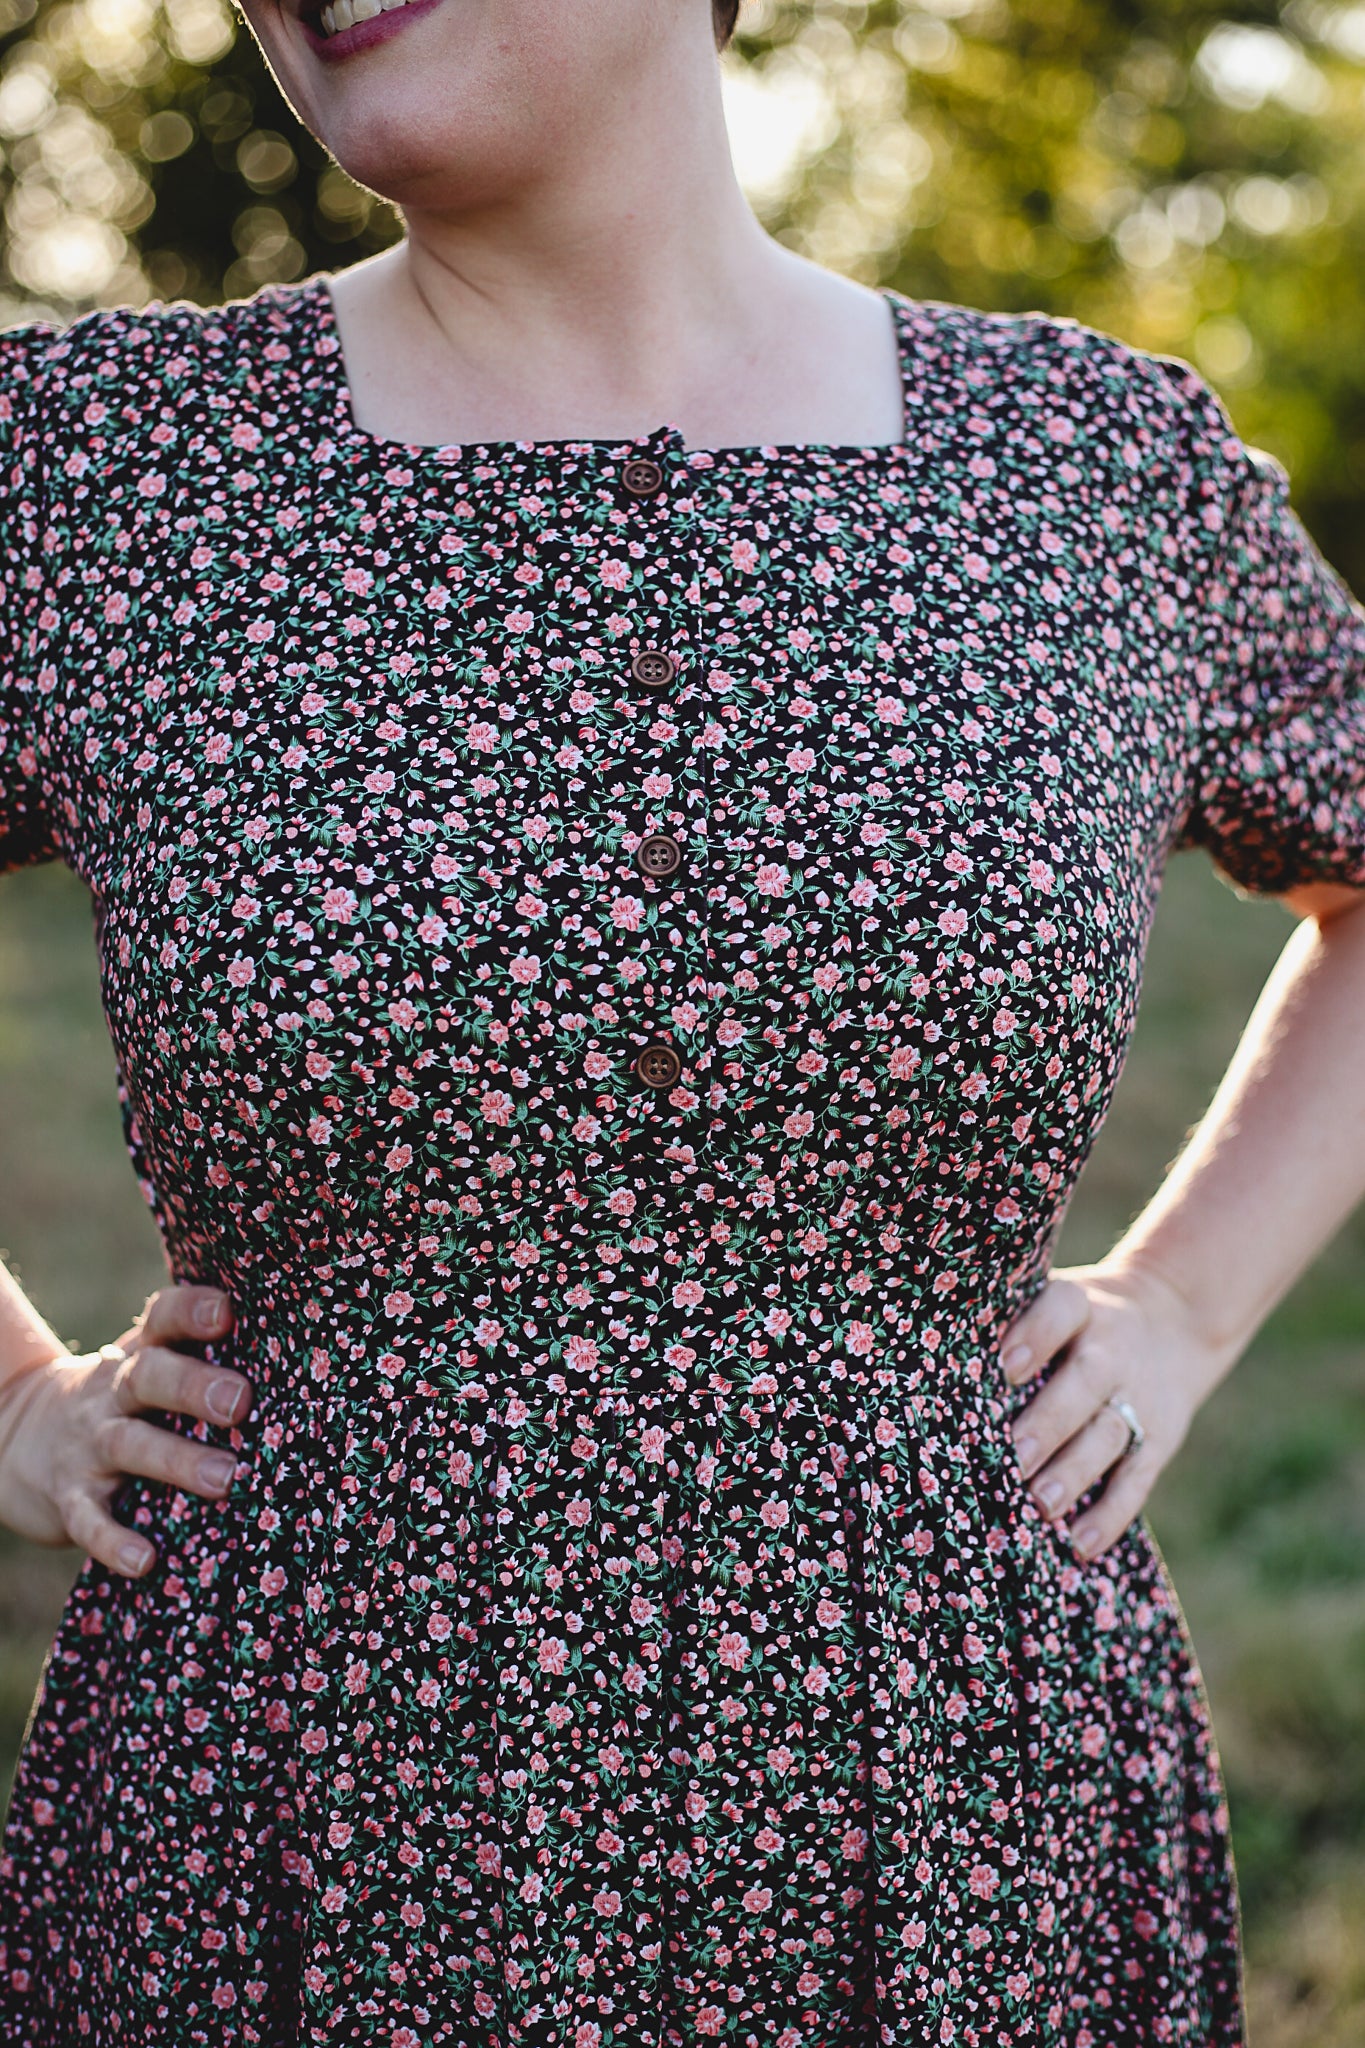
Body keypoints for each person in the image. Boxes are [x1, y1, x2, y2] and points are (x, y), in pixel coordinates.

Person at [1, 0, 1364, 2036]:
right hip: (292, 1817)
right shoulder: (103, 476)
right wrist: (19, 1402)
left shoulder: (1084, 479)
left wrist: (1177, 1312)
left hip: (959, 1815)